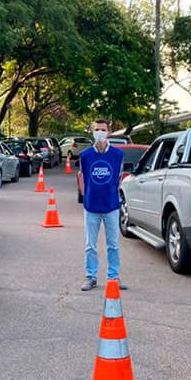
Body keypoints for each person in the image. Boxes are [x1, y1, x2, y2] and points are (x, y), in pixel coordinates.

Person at [77, 118, 127, 291]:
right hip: (91, 207)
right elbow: (82, 176)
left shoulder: (117, 155)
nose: (100, 132)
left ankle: (113, 277)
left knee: (113, 245)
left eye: (103, 129)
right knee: (90, 245)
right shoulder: (85, 155)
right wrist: (85, 195)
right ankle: (91, 277)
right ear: (92, 131)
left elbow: (118, 178)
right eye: (97, 129)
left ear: (108, 132)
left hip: (111, 206)